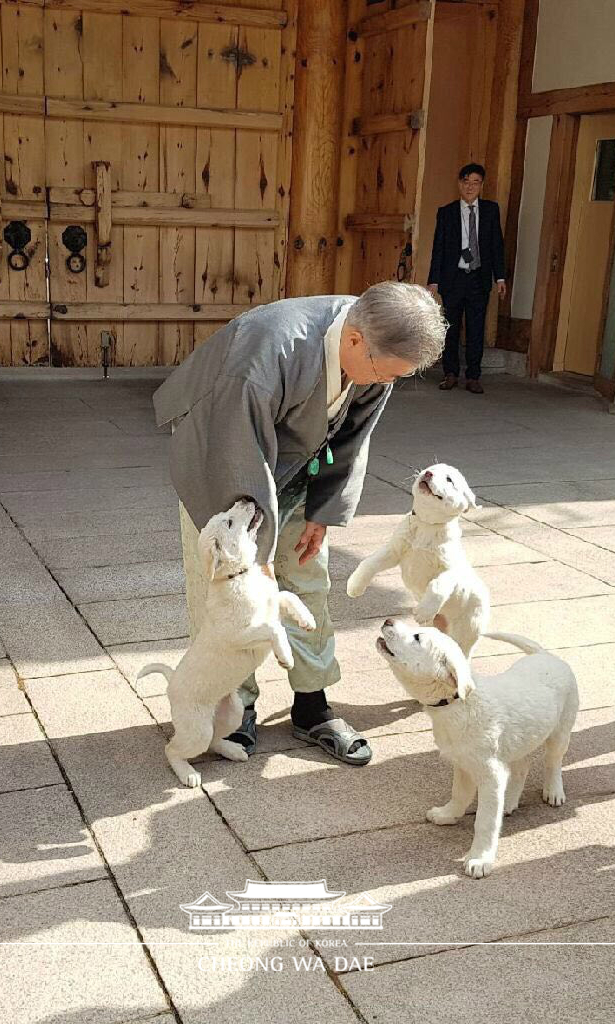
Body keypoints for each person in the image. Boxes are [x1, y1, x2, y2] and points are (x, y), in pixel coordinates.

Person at [153, 282, 446, 765]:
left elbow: (353, 435)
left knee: (308, 585)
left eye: (398, 377)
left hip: (297, 466)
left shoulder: (376, 355)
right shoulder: (267, 353)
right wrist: (259, 557)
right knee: (231, 601)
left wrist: (321, 512)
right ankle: (235, 707)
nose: (384, 383)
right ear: (353, 341)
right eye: (384, 372)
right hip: (219, 466)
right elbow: (237, 458)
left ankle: (312, 706)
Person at [427, 163, 506, 394]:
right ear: (459, 183)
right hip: (454, 278)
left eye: (475, 182)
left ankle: (473, 375)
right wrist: (434, 280)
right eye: (466, 181)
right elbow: (438, 248)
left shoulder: (491, 210)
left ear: (481, 185)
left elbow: (496, 246)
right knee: (450, 327)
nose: (470, 186)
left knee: (476, 328)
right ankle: (450, 373)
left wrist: (500, 277)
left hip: (478, 278)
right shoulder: (447, 212)